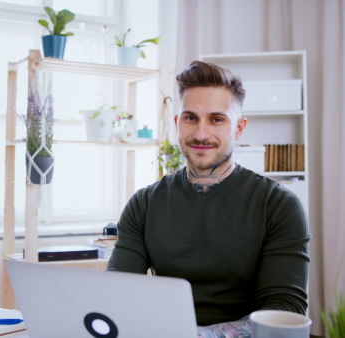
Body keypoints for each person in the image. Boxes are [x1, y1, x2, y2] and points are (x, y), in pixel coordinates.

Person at [107, 61, 310, 337]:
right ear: (178, 124)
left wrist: (205, 335)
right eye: (191, 118)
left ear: (238, 128)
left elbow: (285, 310)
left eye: (217, 119)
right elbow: (118, 294)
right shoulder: (144, 204)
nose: (201, 134)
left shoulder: (278, 205)